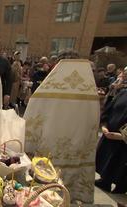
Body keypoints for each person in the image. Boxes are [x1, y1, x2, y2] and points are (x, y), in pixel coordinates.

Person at [24, 57, 100, 203]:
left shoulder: (48, 89)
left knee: (45, 193)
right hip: (77, 151)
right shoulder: (90, 92)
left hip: (50, 154)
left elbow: (32, 116)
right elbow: (93, 123)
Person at [95, 81, 127, 194]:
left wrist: (123, 136)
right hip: (110, 134)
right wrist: (104, 126)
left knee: (121, 165)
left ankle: (121, 187)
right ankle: (105, 181)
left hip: (123, 141)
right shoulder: (123, 93)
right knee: (107, 158)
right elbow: (109, 109)